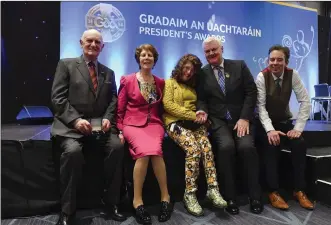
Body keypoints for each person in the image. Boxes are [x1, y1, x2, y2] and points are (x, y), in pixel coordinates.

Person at [51, 29, 126, 225]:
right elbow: (57, 98)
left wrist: (109, 118)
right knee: (73, 153)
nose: (93, 45)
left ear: (103, 46)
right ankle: (68, 210)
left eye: (97, 42)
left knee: (117, 147)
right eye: (89, 41)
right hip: (71, 126)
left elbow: (113, 99)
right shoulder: (66, 65)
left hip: (99, 125)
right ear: (81, 42)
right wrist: (75, 120)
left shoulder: (108, 72)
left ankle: (111, 203)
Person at [196, 36, 263, 215]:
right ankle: (229, 197)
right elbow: (202, 98)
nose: (211, 53)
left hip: (241, 119)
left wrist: (245, 118)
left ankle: (255, 196)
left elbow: (251, 92)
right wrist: (201, 110)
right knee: (225, 148)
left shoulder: (239, 65)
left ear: (222, 49)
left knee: (246, 147)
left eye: (214, 50)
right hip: (218, 121)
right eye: (207, 51)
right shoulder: (202, 73)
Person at [162, 54, 227, 216]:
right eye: (186, 68)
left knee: (206, 147)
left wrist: (201, 115)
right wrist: (193, 115)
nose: (189, 72)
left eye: (192, 69)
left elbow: (199, 107)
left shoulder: (193, 88)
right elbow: (168, 105)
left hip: (194, 124)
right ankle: (189, 194)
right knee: (193, 148)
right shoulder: (169, 83)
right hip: (174, 123)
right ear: (180, 67)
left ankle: (213, 189)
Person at [116, 44, 172, 224]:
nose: (146, 57)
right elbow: (120, 108)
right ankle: (137, 200)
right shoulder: (127, 80)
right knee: (145, 153)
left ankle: (166, 197)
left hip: (154, 124)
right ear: (138, 59)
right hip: (132, 124)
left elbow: (162, 108)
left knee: (155, 151)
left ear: (154, 60)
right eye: (143, 55)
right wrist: (119, 129)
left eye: (150, 55)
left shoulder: (160, 82)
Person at [255, 45, 314, 210]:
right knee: (271, 144)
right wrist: (270, 130)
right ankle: (273, 191)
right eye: (272, 59)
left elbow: (305, 101)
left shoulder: (292, 74)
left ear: (285, 61)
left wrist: (298, 128)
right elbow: (260, 107)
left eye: (279, 59)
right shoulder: (262, 77)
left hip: (283, 121)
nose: (275, 63)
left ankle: (299, 189)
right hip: (264, 123)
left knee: (300, 143)